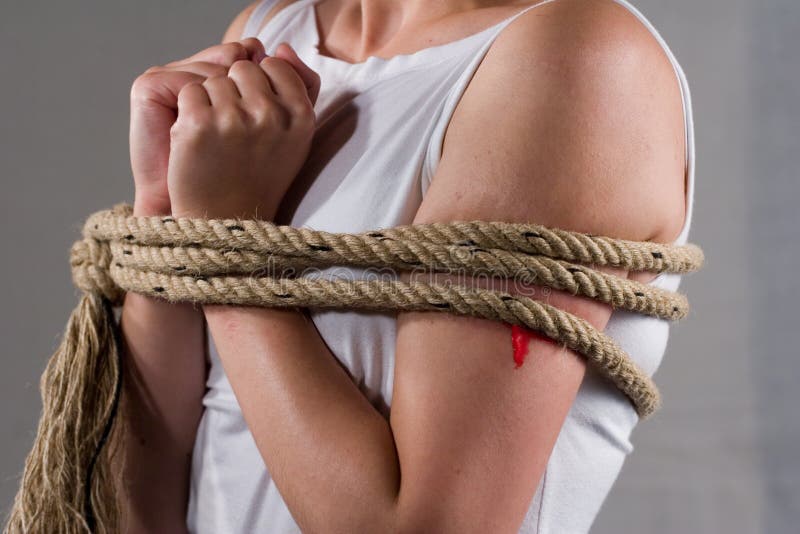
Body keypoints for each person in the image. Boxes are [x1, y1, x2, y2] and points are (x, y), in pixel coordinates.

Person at [121, 0, 694, 532]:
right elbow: (150, 474)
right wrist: (165, 211)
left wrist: (228, 249)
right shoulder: (272, 31)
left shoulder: (575, 58)